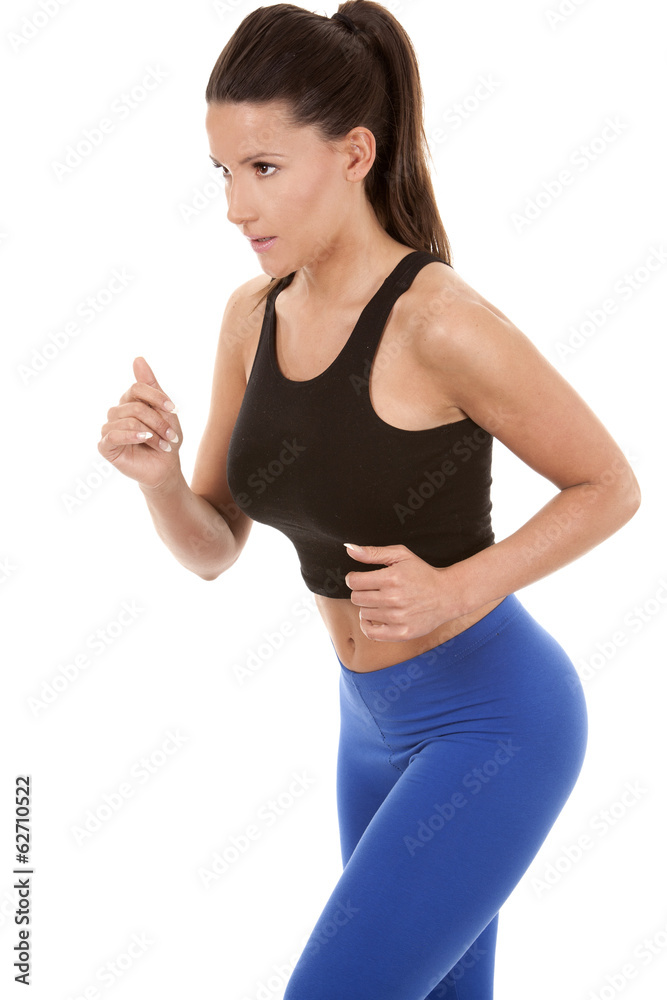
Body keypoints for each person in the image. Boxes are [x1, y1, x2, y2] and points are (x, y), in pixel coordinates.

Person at [97, 3, 641, 996]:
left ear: (354, 153)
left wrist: (461, 587)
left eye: (264, 167)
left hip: (495, 722)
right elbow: (214, 547)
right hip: (367, 727)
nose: (236, 206)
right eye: (222, 172)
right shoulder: (250, 318)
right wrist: (160, 479)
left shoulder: (441, 323)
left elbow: (609, 485)